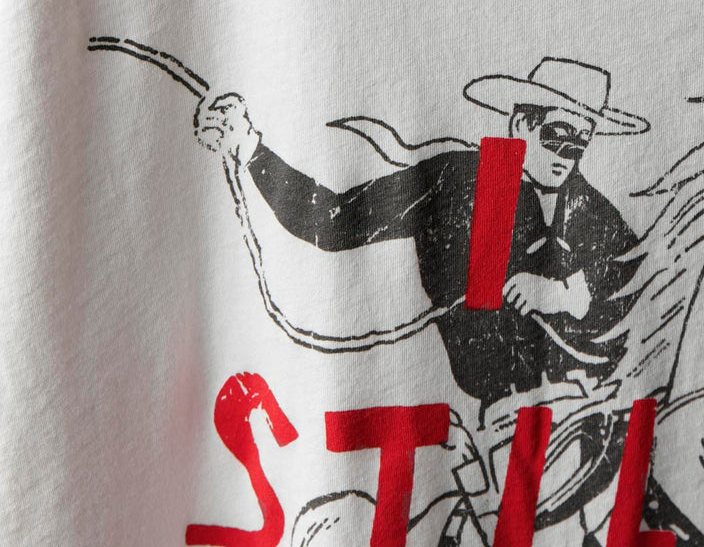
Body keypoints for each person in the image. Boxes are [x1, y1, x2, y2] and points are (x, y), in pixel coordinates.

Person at [194, 56, 648, 413]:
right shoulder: (468, 180)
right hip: (501, 419)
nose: (568, 154)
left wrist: (570, 294)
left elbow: (639, 278)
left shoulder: (591, 209)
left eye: (581, 141)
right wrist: (251, 149)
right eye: (558, 134)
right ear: (522, 124)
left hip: (600, 404)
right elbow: (334, 221)